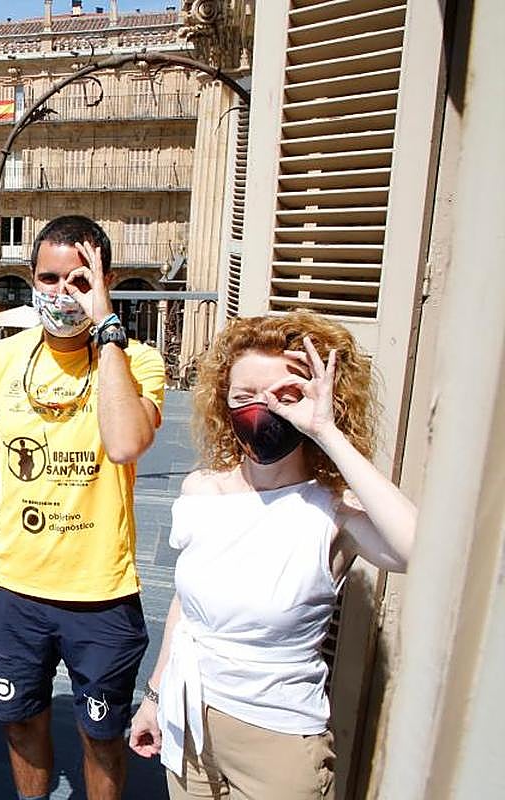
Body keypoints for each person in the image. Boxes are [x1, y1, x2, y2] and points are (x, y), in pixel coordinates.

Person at [127, 312, 416, 800]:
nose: (263, 412)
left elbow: (416, 551)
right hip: (188, 721)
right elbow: (186, 609)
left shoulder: (334, 511)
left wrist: (327, 432)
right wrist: (154, 698)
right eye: (245, 398)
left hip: (278, 741)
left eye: (286, 396)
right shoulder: (202, 491)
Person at [0, 215, 166, 800]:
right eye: (49, 278)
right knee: (20, 720)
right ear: (31, 278)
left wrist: (107, 330)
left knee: (102, 735)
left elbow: (124, 443)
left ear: (104, 281)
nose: (60, 293)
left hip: (102, 592)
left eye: (79, 279)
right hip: (17, 587)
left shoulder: (137, 362)